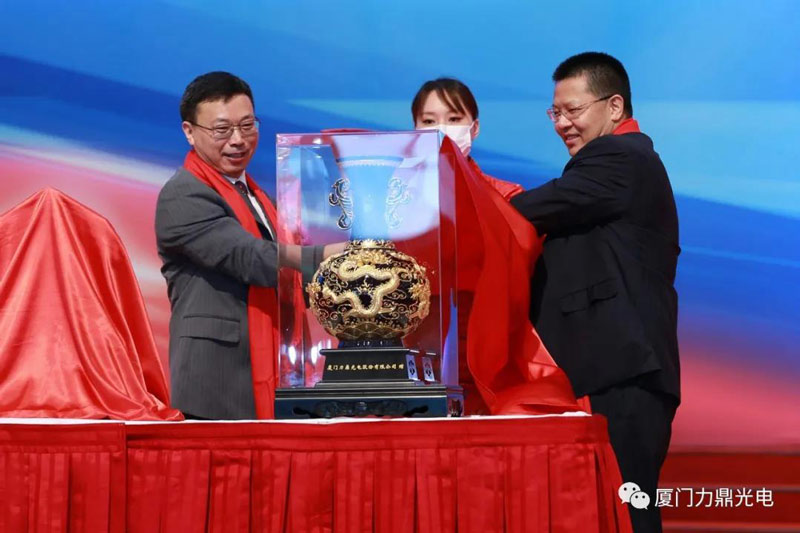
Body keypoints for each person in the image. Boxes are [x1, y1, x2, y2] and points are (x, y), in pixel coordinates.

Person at [510, 52, 680, 533]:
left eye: (573, 110)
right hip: (616, 370)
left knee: (627, 510)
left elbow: (531, 209)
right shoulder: (618, 164)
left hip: (625, 370)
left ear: (614, 106)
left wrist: (471, 201)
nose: (562, 123)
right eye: (555, 113)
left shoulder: (621, 158)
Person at [155, 72, 331, 420]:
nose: (238, 140)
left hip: (276, 367)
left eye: (247, 126)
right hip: (217, 382)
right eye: (222, 130)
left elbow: (292, 280)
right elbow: (249, 257)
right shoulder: (182, 195)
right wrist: (325, 256)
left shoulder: (259, 198)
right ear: (189, 132)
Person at [412, 78, 580, 416]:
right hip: (416, 352)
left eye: (454, 119)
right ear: (414, 129)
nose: (441, 129)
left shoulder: (507, 198)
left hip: (490, 352)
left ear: (474, 129)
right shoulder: (393, 201)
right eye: (429, 121)